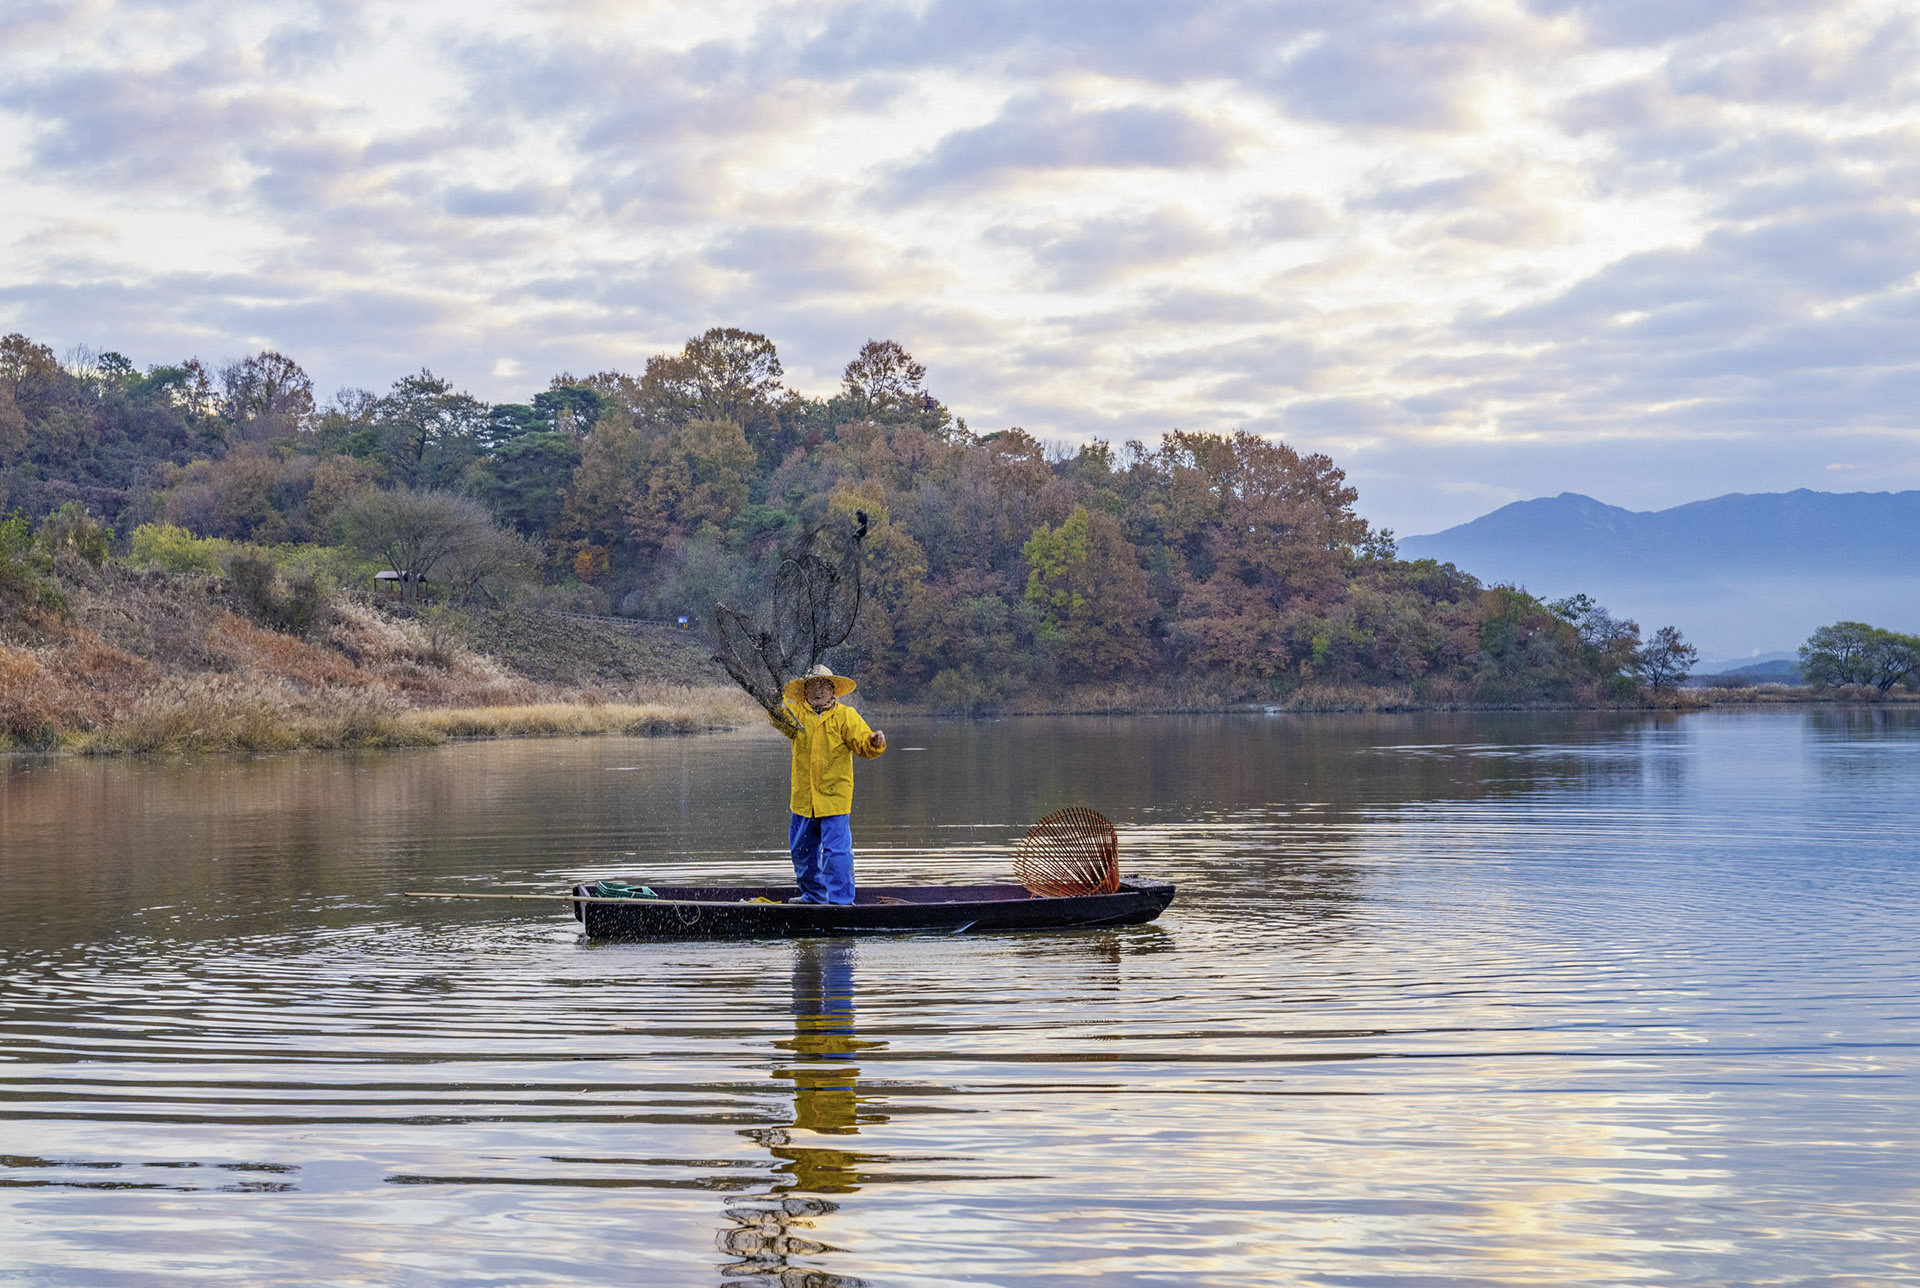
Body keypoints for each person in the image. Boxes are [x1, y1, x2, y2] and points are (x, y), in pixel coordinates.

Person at [772, 664, 887, 905]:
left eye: (824, 685)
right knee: (802, 852)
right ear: (805, 691)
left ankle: (841, 902)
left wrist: (874, 742)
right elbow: (779, 718)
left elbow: (862, 744)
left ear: (833, 690)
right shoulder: (797, 714)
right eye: (813, 685)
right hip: (804, 800)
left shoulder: (846, 716)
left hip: (835, 798)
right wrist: (772, 701)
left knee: (836, 854)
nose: (818, 690)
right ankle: (814, 896)